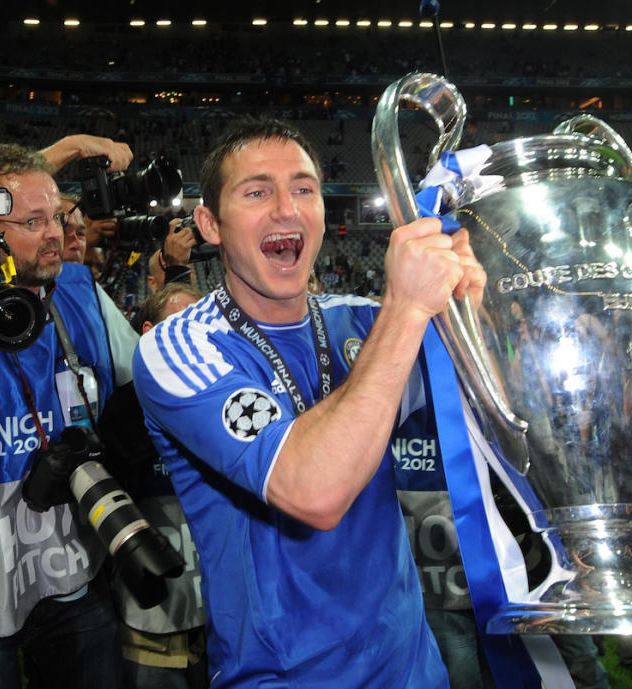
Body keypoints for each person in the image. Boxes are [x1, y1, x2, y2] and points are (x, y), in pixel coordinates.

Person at [133, 117, 481, 688]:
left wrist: (475, 299)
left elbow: (507, 410)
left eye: (303, 188)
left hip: (412, 668)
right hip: (283, 675)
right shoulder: (179, 347)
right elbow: (312, 491)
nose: (286, 209)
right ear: (209, 224)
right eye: (256, 192)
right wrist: (406, 308)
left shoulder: (364, 321)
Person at [0, 141, 139, 689]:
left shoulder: (82, 292)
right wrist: (73, 146)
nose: (54, 233)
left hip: (75, 571)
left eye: (56, 216)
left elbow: (147, 389)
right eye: (32, 221)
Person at [115, 281, 207, 689]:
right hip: (151, 623)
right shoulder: (122, 411)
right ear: (149, 331)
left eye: (202, 326)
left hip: (220, 620)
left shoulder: (227, 405)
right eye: (180, 324)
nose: (193, 337)